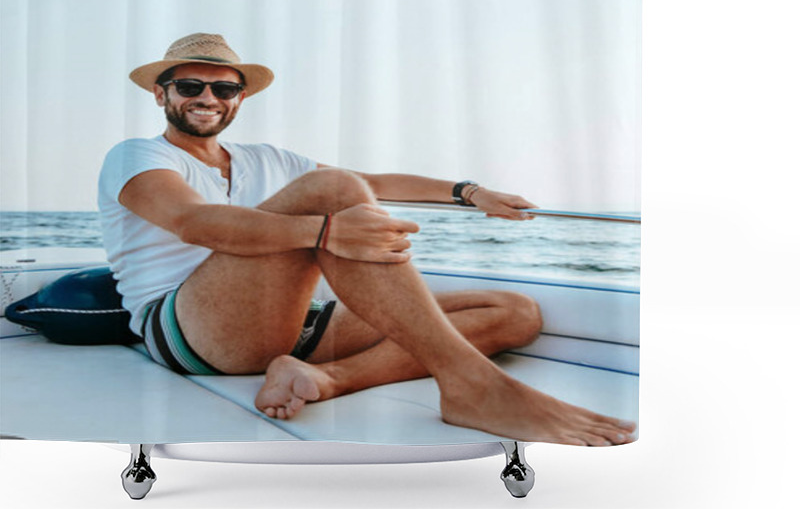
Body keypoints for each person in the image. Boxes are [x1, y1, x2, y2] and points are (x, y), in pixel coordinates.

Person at [98, 33, 636, 446]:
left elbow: (374, 185)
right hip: (190, 332)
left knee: (513, 312)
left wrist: (470, 192)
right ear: (161, 93)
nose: (207, 97)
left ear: (239, 97)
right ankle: (473, 386)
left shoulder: (268, 160)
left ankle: (325, 379)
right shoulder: (139, 156)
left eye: (224, 87)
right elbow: (195, 224)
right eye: (190, 86)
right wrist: (327, 228)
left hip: (289, 325)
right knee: (331, 190)